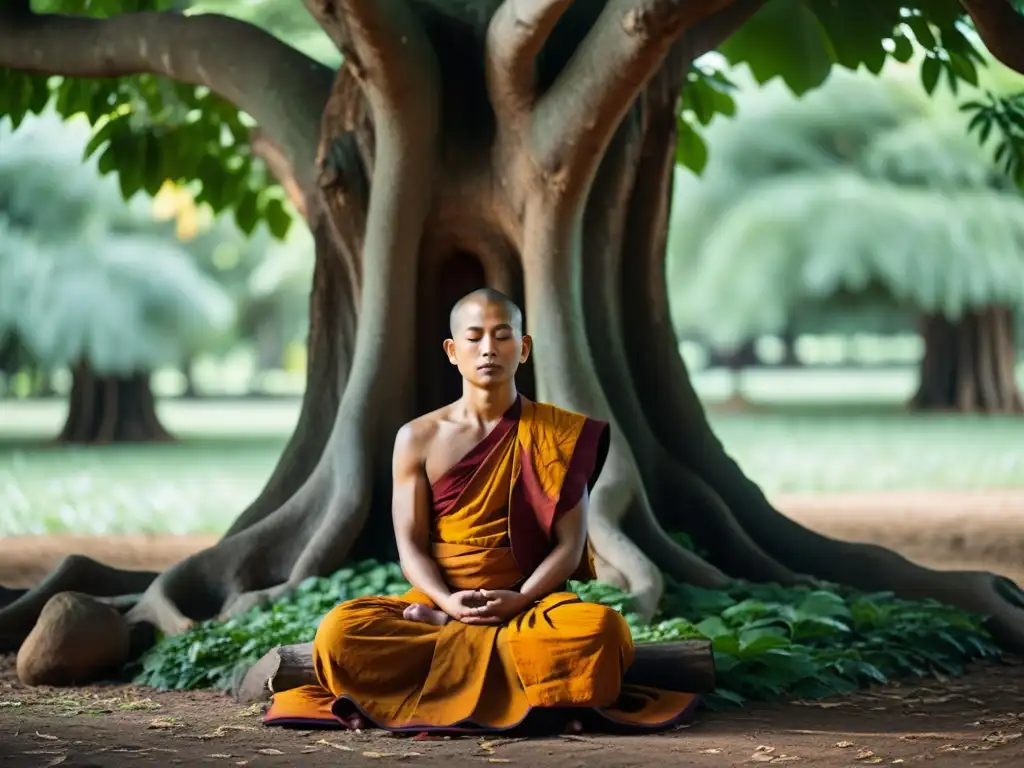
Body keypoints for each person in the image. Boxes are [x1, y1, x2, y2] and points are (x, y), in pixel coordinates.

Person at [263, 288, 698, 733]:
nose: (488, 348)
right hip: (441, 596)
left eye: (502, 335)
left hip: (531, 605)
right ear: (453, 351)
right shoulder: (418, 438)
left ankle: (454, 642)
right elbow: (411, 548)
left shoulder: (557, 434)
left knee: (601, 631)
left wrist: (522, 598)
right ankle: (512, 670)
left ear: (523, 348)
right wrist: (447, 601)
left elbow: (569, 547)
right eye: (474, 337)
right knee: (340, 633)